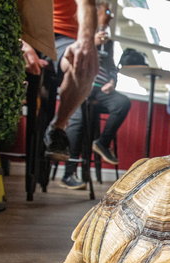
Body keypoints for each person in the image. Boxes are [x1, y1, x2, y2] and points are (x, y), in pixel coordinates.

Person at [61, 0, 131, 189]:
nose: (110, 16)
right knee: (79, 120)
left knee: (123, 102)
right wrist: (91, 41)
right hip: (81, 84)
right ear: (96, 10)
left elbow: (112, 69)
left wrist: (112, 82)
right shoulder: (78, 29)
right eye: (107, 11)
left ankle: (101, 142)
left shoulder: (108, 42)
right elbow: (68, 55)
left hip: (100, 90)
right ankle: (69, 173)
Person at [43, 0, 99, 163]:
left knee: (83, 62)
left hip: (61, 37)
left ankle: (57, 128)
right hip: (22, 33)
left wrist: (86, 41)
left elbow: (86, 4)